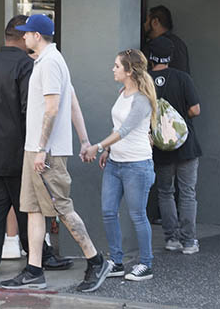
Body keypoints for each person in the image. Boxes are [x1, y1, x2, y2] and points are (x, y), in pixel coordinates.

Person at [2, 14, 107, 293]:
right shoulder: (50, 61)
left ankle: (96, 261)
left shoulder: (49, 63)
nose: (23, 37)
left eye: (26, 33)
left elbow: (53, 108)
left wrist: (42, 149)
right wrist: (84, 140)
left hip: (44, 153)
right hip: (37, 150)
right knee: (34, 210)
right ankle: (34, 269)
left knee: (61, 207)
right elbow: (72, 103)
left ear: (37, 36)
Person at [0, 15, 71, 278]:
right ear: (21, 36)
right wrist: (40, 147)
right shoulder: (27, 66)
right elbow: (33, 111)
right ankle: (41, 257)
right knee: (30, 207)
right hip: (19, 149)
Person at [82, 49, 156, 281]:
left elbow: (125, 130)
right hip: (116, 163)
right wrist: (110, 150)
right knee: (108, 212)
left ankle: (146, 264)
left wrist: (99, 147)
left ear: (129, 70)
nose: (113, 69)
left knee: (137, 215)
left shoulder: (142, 100)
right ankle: (116, 261)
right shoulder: (122, 92)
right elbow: (117, 127)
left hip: (137, 165)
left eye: (116, 66)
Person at [146, 36, 202, 254]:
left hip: (160, 145)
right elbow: (195, 110)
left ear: (151, 57)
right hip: (185, 144)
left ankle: (171, 239)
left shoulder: (146, 80)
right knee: (187, 193)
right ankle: (189, 242)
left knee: (165, 192)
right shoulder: (182, 77)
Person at [142, 5, 190, 73]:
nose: (144, 25)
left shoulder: (151, 47)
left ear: (155, 22)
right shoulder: (180, 44)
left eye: (146, 21)